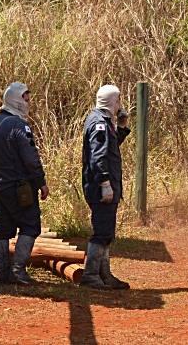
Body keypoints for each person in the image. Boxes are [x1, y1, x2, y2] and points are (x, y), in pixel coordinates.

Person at [0, 81, 49, 286]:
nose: (28, 103)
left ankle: (3, 273)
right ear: (15, 100)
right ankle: (18, 271)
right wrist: (41, 182)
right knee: (31, 225)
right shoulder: (21, 127)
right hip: (19, 188)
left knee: (3, 227)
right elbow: (31, 158)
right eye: (25, 99)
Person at [79, 84, 131, 290]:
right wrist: (105, 183)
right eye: (118, 100)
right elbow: (98, 156)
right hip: (100, 186)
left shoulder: (103, 121)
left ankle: (104, 274)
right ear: (112, 101)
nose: (120, 103)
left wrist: (122, 127)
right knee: (102, 231)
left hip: (103, 184)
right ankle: (91, 274)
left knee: (106, 230)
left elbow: (108, 147)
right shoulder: (99, 123)